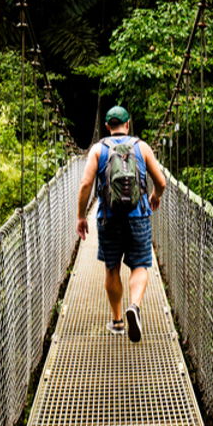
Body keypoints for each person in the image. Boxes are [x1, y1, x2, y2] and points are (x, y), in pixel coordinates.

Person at [76, 105, 167, 343]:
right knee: (140, 266)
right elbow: (162, 183)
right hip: (139, 217)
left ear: (107, 127)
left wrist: (81, 216)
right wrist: (155, 196)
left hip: (108, 218)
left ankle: (117, 321)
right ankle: (134, 306)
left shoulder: (98, 149)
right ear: (128, 124)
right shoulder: (142, 147)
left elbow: (86, 185)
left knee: (112, 268)